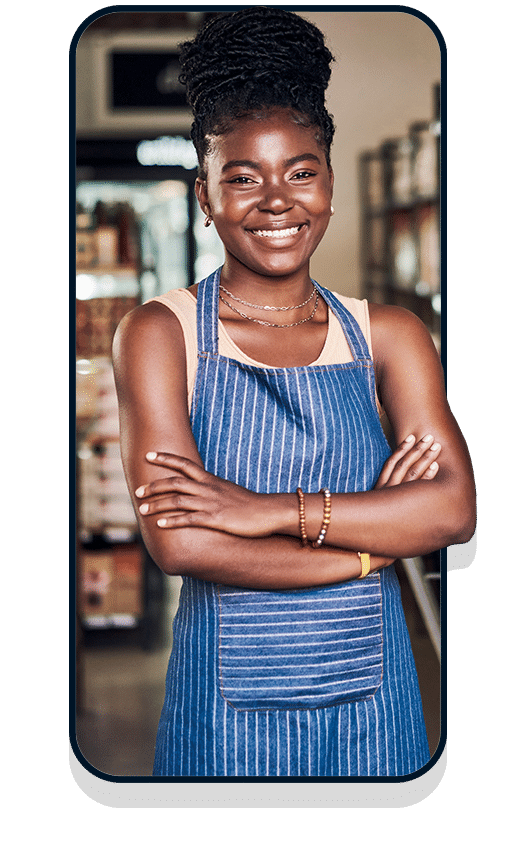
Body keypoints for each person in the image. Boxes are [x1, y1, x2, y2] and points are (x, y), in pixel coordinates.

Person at [113, 8, 475, 777]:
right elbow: (182, 542)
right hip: (226, 714)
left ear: (330, 185)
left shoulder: (390, 335)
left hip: (375, 706)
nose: (275, 200)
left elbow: (449, 510)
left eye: (300, 171)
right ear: (204, 195)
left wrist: (262, 512)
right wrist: (368, 550)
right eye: (241, 177)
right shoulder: (160, 333)